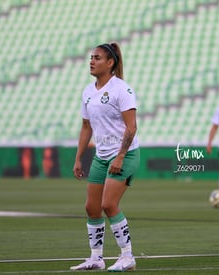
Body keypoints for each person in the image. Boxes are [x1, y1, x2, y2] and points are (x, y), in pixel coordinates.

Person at [71, 43, 140, 272]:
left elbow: (131, 127)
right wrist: (78, 158)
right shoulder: (88, 92)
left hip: (125, 154)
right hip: (101, 157)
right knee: (92, 208)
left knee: (109, 204)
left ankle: (128, 256)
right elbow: (85, 127)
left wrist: (120, 157)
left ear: (110, 63)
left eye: (97, 58)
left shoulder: (122, 89)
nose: (92, 61)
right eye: (91, 57)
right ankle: (96, 258)